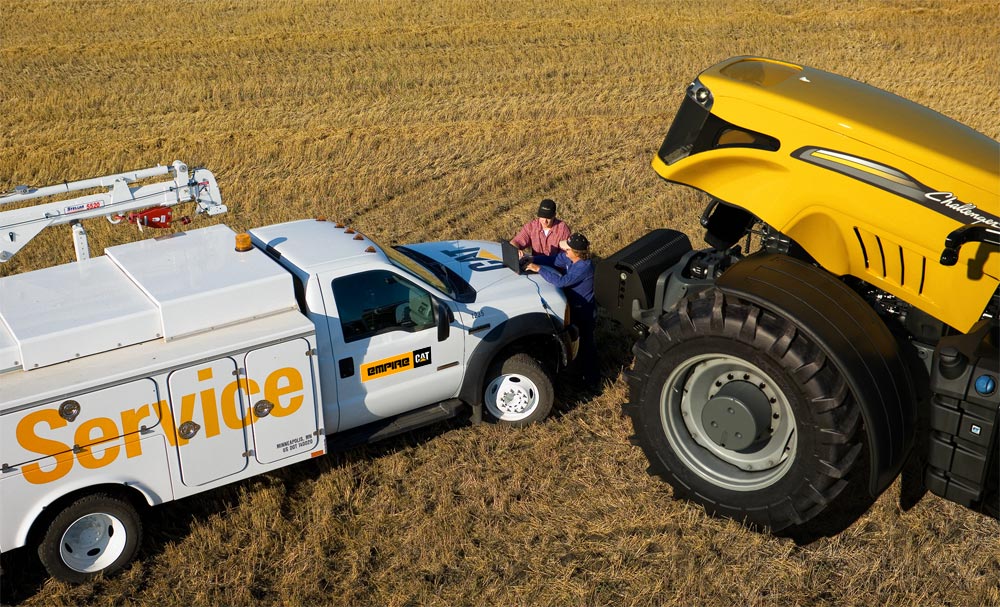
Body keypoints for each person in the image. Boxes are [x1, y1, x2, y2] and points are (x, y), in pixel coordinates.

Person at [526, 232, 600, 390]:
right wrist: (532, 258)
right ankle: (578, 372)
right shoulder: (570, 258)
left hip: (584, 311)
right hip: (574, 308)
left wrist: (538, 269)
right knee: (575, 342)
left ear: (576, 252)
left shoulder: (584, 267)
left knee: (586, 344)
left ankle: (592, 380)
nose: (565, 251)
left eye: (567, 249)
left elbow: (561, 282)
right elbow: (553, 259)